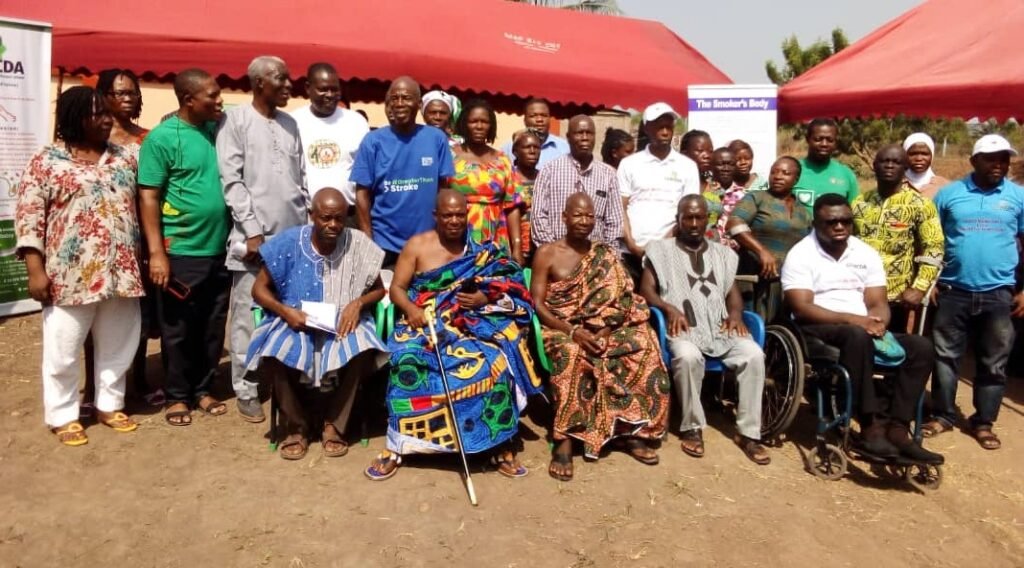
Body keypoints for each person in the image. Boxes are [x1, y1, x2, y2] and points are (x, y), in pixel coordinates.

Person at [366, 190, 540, 480]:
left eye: (460, 214)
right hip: (424, 322)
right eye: (447, 215)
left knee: (494, 359)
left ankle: (498, 443)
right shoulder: (417, 246)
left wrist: (484, 298)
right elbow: (396, 288)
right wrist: (411, 309)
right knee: (407, 360)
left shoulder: (481, 248)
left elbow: (510, 279)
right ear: (436, 216)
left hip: (472, 323)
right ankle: (399, 446)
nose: (455, 220)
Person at [15, 86, 143, 445]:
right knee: (64, 347)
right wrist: (35, 269)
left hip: (121, 271)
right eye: (97, 113)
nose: (106, 119)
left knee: (119, 343)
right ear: (73, 117)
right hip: (69, 274)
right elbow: (28, 217)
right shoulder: (47, 161)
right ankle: (63, 413)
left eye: (107, 113)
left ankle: (109, 404)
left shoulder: (126, 158)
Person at [781, 194, 943, 464]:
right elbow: (802, 307)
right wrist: (856, 321)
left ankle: (899, 428)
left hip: (861, 327)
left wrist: (878, 321)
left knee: (920, 347)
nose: (840, 227)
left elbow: (878, 303)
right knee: (856, 336)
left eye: (846, 221)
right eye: (831, 222)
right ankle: (870, 426)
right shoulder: (801, 254)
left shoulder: (864, 253)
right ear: (815, 223)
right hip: (816, 327)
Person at [532, 192, 670, 481]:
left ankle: (629, 428)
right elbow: (538, 304)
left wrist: (605, 330)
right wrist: (573, 331)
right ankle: (565, 439)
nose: (584, 221)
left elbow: (622, 298)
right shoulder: (547, 253)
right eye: (578, 215)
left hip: (605, 326)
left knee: (642, 343)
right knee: (571, 353)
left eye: (589, 216)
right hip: (561, 327)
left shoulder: (604, 253)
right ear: (565, 218)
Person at [246, 189, 387, 460]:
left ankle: (334, 424)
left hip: (341, 317)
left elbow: (380, 289)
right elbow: (258, 290)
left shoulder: (356, 242)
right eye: (325, 218)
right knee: (275, 348)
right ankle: (297, 427)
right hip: (296, 316)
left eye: (339, 219)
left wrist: (357, 303)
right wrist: (285, 312)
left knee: (363, 345)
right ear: (312, 215)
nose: (333, 225)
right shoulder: (288, 242)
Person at [640, 196, 770, 465]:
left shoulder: (722, 254)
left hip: (719, 325)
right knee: (687, 356)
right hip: (682, 326)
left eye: (700, 217)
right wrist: (667, 308)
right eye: (688, 217)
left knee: (753, 354)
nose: (695, 223)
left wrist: (735, 314)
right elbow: (646, 290)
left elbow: (732, 293)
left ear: (708, 220)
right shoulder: (660, 251)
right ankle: (692, 426)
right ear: (679, 219)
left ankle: (748, 433)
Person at [218, 55, 309, 422]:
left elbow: (300, 180)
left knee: (289, 312)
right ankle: (246, 386)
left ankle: (281, 379)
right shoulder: (235, 119)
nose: (289, 86)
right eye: (281, 80)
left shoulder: (290, 123)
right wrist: (252, 231)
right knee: (247, 316)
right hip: (254, 242)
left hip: (292, 238)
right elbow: (232, 180)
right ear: (258, 83)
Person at [138, 68, 232, 426]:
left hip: (220, 250)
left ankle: (204, 389)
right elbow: (148, 195)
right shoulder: (162, 138)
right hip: (180, 251)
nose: (220, 100)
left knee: (212, 325)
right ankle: (177, 395)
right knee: (178, 329)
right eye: (213, 95)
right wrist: (157, 253)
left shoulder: (215, 131)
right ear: (189, 100)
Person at [923, 134, 1024, 450]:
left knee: (993, 362)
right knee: (945, 358)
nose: (1000, 165)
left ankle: (983, 423)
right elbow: (930, 239)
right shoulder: (949, 195)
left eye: (1004, 159)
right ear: (974, 161)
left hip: (999, 293)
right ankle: (943, 416)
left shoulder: (1018, 197)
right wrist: (929, 281)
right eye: (992, 158)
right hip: (953, 290)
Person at [351, 76, 455, 267]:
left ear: (419, 103)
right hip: (384, 244)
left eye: (406, 98)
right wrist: (368, 241)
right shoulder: (373, 141)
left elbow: (444, 189)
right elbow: (361, 194)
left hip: (426, 242)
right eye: (394, 98)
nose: (399, 103)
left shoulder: (436, 139)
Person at [851, 145, 944, 332]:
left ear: (906, 168)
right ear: (874, 165)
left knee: (890, 353)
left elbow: (934, 247)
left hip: (895, 298)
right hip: (856, 294)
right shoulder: (859, 203)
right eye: (884, 161)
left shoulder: (920, 205)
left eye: (896, 162)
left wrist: (919, 287)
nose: (889, 166)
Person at [726, 156, 812, 322]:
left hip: (786, 282)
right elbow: (734, 223)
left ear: (796, 179)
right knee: (754, 327)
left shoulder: (803, 211)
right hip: (753, 279)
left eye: (785, 173)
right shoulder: (757, 198)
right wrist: (761, 251)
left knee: (780, 328)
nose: (778, 176)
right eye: (774, 172)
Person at [618, 102, 700, 275]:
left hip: (671, 252)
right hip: (630, 254)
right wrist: (632, 244)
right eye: (659, 127)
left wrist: (663, 246)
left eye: (668, 127)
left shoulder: (687, 166)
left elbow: (688, 211)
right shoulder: (629, 164)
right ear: (647, 128)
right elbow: (620, 206)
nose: (665, 132)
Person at [531, 115, 625, 250]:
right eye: (579, 133)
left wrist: (604, 257)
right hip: (556, 257)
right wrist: (553, 253)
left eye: (589, 133)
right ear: (568, 137)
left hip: (595, 260)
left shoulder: (608, 174)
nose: (585, 137)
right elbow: (539, 217)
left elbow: (614, 221)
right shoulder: (549, 170)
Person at [449, 98, 525, 264]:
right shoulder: (450, 157)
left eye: (484, 122)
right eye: (473, 121)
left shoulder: (502, 160)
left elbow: (512, 206)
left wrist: (517, 246)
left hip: (496, 236)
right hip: (456, 234)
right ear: (464, 124)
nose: (479, 126)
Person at [291, 62, 370, 205]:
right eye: (323, 89)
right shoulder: (293, 122)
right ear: (308, 88)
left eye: (335, 90)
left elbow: (367, 173)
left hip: (349, 214)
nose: (330, 95)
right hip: (307, 214)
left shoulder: (356, 122)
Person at [793, 118, 859, 215]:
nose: (824, 144)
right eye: (818, 139)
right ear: (808, 139)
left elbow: (855, 213)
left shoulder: (846, 174)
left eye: (830, 140)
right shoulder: (792, 170)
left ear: (836, 142)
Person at [501, 98, 569, 168]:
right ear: (525, 120)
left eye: (544, 115)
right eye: (533, 116)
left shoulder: (565, 148)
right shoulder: (509, 148)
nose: (539, 120)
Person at [96, 68, 149, 150]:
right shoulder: (91, 138)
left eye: (132, 93)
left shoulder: (150, 139)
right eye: (120, 93)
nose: (128, 99)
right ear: (103, 96)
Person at [705, 146, 746, 246]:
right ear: (711, 166)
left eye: (730, 164)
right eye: (721, 164)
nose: (726, 169)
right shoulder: (702, 190)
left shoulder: (743, 195)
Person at [512, 130, 542, 261]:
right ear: (515, 151)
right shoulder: (509, 178)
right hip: (514, 246)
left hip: (540, 247)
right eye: (527, 147)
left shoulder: (545, 178)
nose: (532, 151)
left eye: (536, 147)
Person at [903, 133, 950, 200]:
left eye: (924, 154)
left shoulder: (945, 187)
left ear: (932, 156)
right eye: (913, 154)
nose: (919, 158)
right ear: (905, 155)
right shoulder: (894, 184)